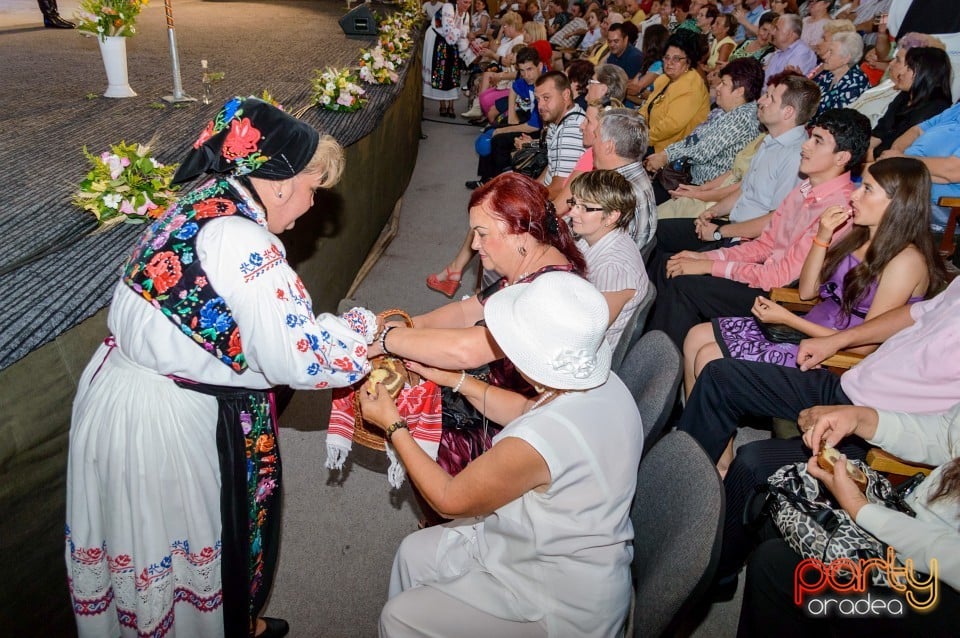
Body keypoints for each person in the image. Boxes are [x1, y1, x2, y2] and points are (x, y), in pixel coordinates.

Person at [65, 98, 374, 638]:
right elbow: (297, 358)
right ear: (279, 183)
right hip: (169, 420)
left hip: (122, 392)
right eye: (311, 189)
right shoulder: (246, 241)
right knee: (194, 534)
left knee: (141, 541)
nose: (308, 205)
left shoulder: (206, 199)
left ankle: (228, 622)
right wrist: (362, 334)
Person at [363, 272, 643, 637]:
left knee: (398, 617)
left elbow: (449, 499)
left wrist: (394, 424)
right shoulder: (604, 384)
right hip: (551, 544)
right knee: (413, 553)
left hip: (557, 597)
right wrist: (457, 380)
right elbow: (528, 410)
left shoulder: (540, 441)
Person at [684, 158, 947, 472]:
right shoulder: (859, 235)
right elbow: (808, 291)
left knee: (711, 357)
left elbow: (864, 347)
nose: (854, 196)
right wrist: (822, 235)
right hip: (805, 331)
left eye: (867, 190)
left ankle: (714, 467)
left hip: (830, 356)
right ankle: (704, 455)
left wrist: (789, 320)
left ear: (897, 202)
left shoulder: (905, 261)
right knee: (695, 336)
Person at [372, 173, 587, 480]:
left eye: (482, 234)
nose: (474, 244)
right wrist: (408, 323)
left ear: (519, 233)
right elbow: (464, 312)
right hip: (497, 390)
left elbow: (467, 351)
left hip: (520, 424)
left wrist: (387, 339)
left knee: (417, 416)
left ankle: (452, 507)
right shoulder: (533, 265)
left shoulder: (545, 291)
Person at [645, 108, 869, 349]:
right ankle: (646, 350)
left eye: (818, 141)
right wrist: (704, 257)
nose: (806, 146)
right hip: (763, 274)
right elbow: (764, 245)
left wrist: (710, 266)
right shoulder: (805, 188)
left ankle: (658, 367)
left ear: (842, 157)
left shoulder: (839, 209)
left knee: (682, 284)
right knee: (671, 263)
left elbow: (783, 277)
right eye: (811, 136)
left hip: (780, 298)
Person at [737, 403, 960, 636]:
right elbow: (947, 432)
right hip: (910, 515)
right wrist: (860, 418)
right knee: (774, 508)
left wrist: (860, 508)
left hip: (938, 584)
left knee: (775, 566)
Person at [653, 71, 817, 237]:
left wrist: (719, 232)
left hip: (745, 238)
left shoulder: (796, 156)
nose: (760, 101)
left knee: (660, 233)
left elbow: (776, 220)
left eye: (770, 98)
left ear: (788, 112)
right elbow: (744, 190)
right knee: (658, 230)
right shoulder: (770, 141)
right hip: (732, 222)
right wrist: (714, 211)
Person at [644, 57, 764, 203]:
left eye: (724, 84)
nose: (718, 88)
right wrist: (665, 153)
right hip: (688, 177)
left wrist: (666, 156)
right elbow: (694, 138)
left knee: (645, 201)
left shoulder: (742, 118)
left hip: (704, 189)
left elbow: (702, 151)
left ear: (739, 91)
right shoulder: (726, 110)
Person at [568, 170, 650, 347]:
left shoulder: (614, 267)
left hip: (586, 353)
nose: (572, 212)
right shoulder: (591, 237)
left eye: (585, 207)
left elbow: (589, 330)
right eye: (574, 203)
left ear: (612, 216)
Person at [867, 46, 952, 160]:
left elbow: (903, 149)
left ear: (924, 72)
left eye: (908, 68)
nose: (901, 72)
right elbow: (880, 132)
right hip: (880, 158)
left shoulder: (936, 107)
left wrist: (867, 159)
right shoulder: (905, 95)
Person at [639, 28, 711, 153]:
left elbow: (671, 126)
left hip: (669, 152)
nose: (669, 63)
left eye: (677, 59)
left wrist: (640, 139)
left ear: (688, 61)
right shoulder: (665, 79)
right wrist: (634, 125)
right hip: (651, 140)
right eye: (666, 57)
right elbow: (646, 108)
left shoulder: (691, 86)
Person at [423, 0, 478, 117]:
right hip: (438, 40)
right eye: (464, 2)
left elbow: (461, 39)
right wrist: (464, 33)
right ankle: (442, 105)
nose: (466, 6)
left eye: (469, 3)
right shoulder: (448, 8)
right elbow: (450, 37)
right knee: (439, 72)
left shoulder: (466, 15)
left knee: (452, 72)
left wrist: (468, 55)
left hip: (451, 43)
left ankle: (451, 106)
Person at [813, 31, 871, 116]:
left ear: (845, 59)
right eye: (828, 51)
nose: (825, 56)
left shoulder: (856, 82)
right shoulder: (829, 75)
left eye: (831, 52)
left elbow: (835, 118)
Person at [765, 13, 819, 81]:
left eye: (777, 29)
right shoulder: (779, 52)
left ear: (790, 34)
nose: (772, 33)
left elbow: (784, 86)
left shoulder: (802, 53)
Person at [625, 22, 670, 102]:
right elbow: (633, 84)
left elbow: (635, 89)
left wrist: (621, 86)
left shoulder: (659, 65)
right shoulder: (649, 62)